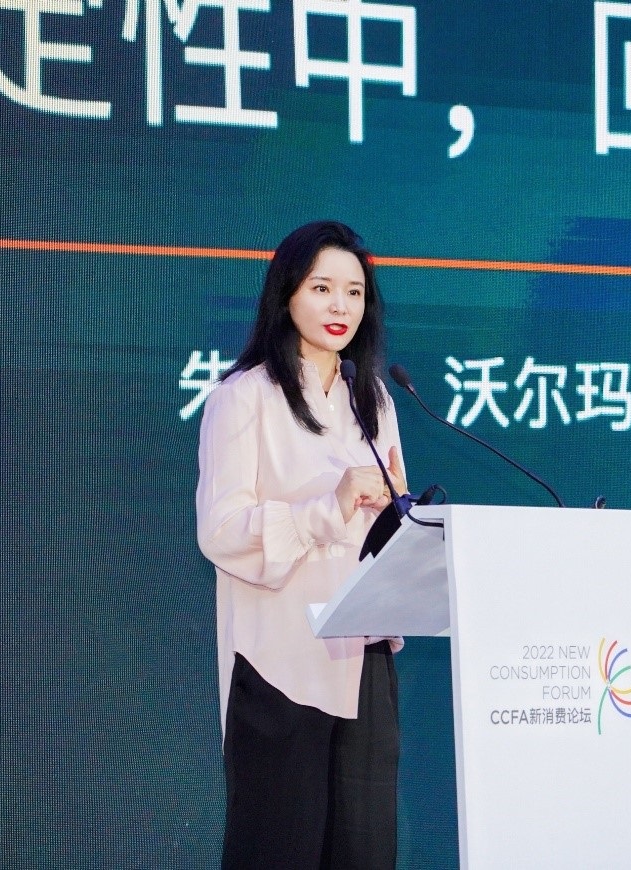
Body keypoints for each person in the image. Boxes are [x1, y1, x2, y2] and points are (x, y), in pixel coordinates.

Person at [196, 220, 406, 869]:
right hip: (280, 663)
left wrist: (400, 516)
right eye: (322, 288)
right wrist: (328, 507)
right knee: (278, 849)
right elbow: (220, 531)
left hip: (364, 657)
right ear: (286, 292)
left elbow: (381, 532)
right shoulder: (243, 398)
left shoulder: (374, 400)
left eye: (354, 292)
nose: (341, 305)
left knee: (364, 851)